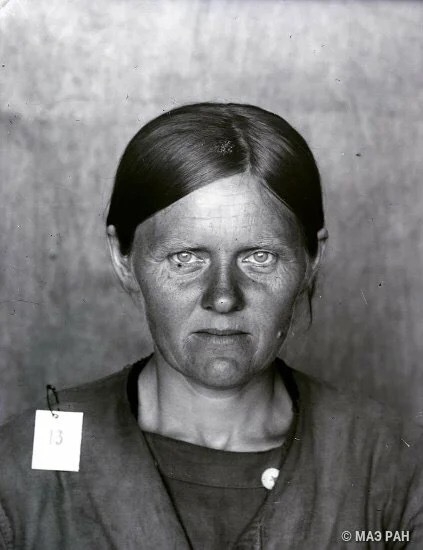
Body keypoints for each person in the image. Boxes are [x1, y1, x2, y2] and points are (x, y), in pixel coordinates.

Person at [0, 102, 422, 549]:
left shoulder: (395, 467)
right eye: (185, 258)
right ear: (123, 259)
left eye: (259, 257)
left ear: (310, 260)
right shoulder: (22, 463)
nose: (222, 297)